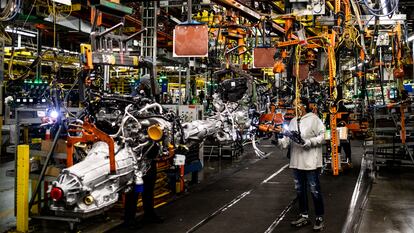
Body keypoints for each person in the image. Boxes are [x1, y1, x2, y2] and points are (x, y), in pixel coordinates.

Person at [274, 97, 326, 231]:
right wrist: (277, 139)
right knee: (299, 190)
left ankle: (319, 217)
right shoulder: (292, 121)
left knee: (314, 190)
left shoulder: (314, 119)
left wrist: (309, 142)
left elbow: (324, 135)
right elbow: (286, 142)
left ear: (305, 106)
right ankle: (304, 215)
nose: (295, 107)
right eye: (294, 105)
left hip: (311, 163)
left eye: (298, 104)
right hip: (296, 163)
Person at [124, 74, 164, 229]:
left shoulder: (152, 101)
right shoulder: (134, 102)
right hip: (136, 153)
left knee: (149, 185)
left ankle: (149, 213)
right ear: (145, 85)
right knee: (134, 187)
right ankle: (129, 219)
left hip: (149, 152)